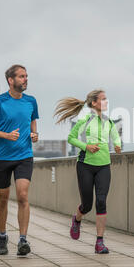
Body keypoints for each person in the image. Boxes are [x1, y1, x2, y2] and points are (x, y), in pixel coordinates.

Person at [54, 89, 121, 254]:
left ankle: (100, 242)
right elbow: (71, 138)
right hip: (85, 165)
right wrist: (86, 147)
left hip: (104, 166)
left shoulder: (109, 122)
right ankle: (77, 219)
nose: (106, 102)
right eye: (103, 99)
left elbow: (115, 136)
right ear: (94, 103)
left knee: (101, 202)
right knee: (87, 205)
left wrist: (118, 144)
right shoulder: (85, 120)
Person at [0, 64, 39, 256]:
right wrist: (5, 135)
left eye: (26, 76)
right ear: (11, 80)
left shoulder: (31, 101)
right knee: (3, 198)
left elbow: (33, 123)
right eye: (22, 76)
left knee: (23, 195)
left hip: (24, 156)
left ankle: (23, 240)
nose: (25, 79)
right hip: (1, 158)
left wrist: (34, 134)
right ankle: (2, 235)